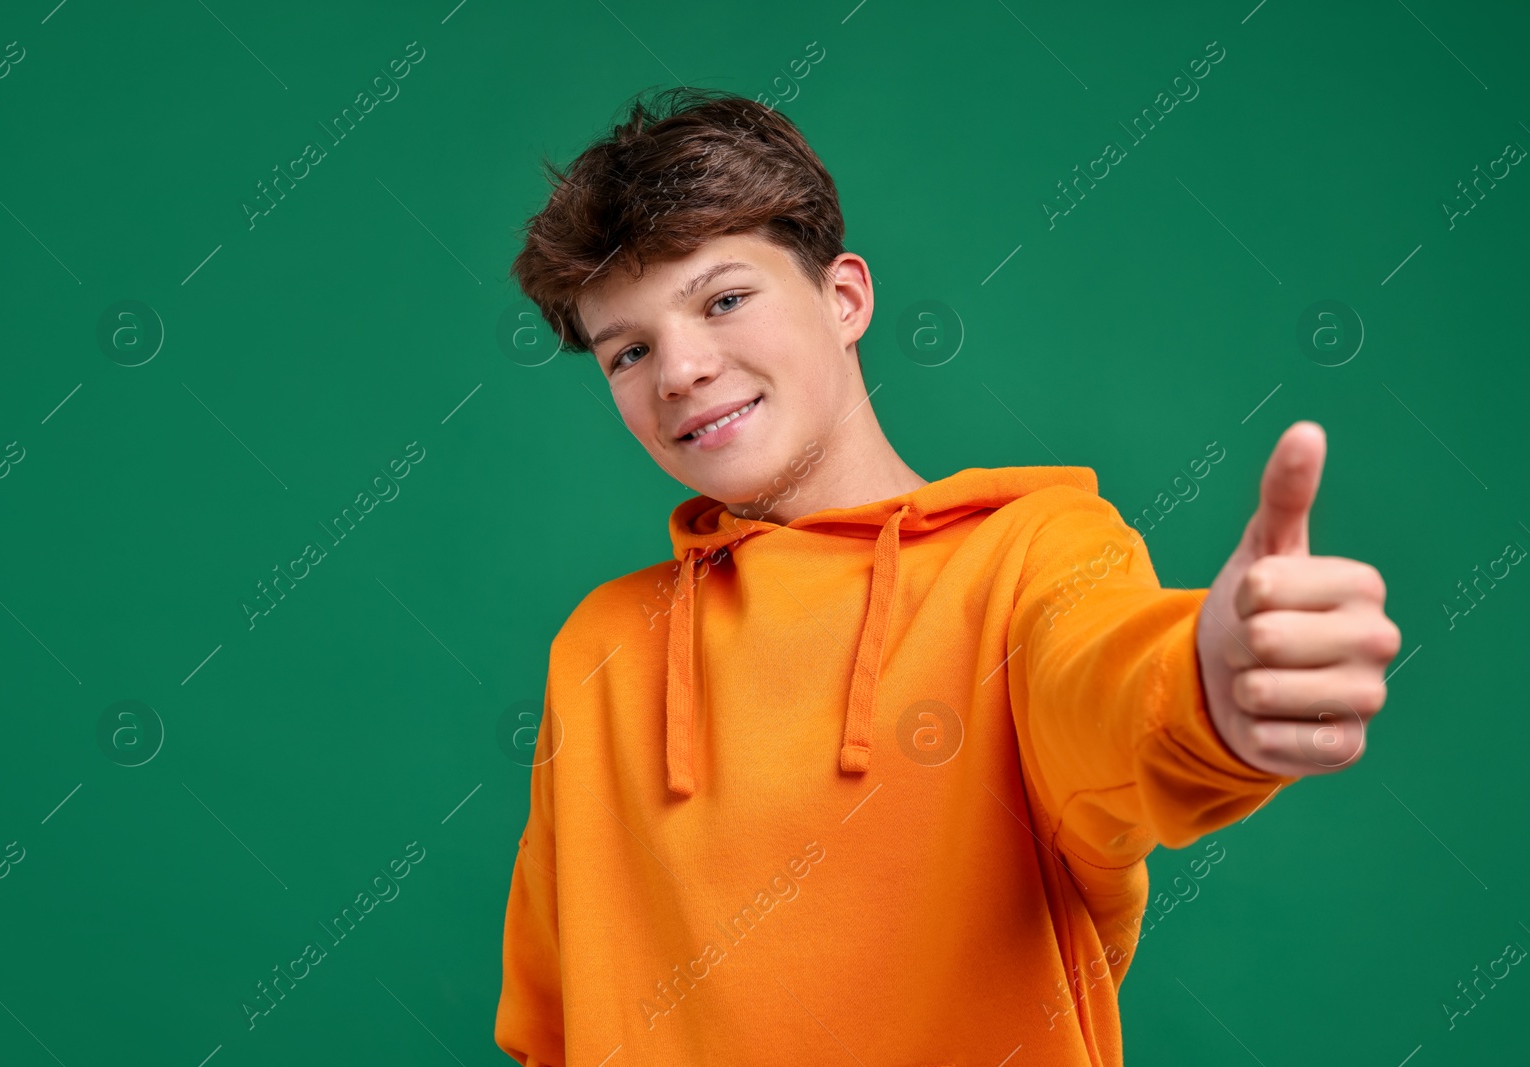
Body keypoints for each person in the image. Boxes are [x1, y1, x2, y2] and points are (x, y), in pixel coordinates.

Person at [494, 86, 1400, 1065]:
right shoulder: (601, 646)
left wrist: (1206, 687)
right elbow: (558, 1019)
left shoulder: (1033, 556)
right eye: (627, 350)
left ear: (844, 298)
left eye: (722, 299)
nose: (679, 370)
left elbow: (1110, 690)